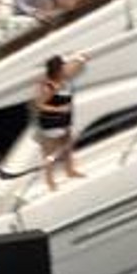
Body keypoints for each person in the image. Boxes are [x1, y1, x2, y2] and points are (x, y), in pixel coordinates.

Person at [32, 52, 86, 190]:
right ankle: (50, 180)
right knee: (50, 153)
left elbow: (78, 63)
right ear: (56, 70)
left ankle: (70, 170)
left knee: (67, 146)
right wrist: (59, 109)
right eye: (62, 67)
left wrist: (81, 58)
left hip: (65, 119)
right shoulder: (49, 86)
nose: (64, 69)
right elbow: (39, 104)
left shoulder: (64, 78)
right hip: (52, 122)